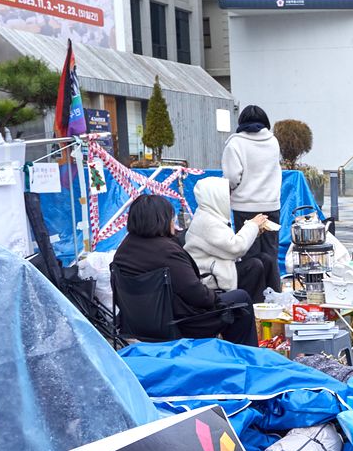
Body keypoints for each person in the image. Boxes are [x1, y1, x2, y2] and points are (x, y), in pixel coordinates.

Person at [112, 195, 258, 346]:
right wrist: (215, 298)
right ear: (162, 219)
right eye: (171, 218)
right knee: (241, 299)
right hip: (176, 325)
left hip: (138, 324)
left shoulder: (123, 249)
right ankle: (244, 358)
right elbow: (198, 296)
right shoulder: (166, 250)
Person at [222, 105, 283, 293]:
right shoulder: (273, 142)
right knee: (270, 255)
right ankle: (275, 296)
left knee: (251, 257)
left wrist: (236, 189)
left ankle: (256, 299)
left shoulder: (235, 144)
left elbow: (231, 177)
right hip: (271, 205)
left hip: (245, 206)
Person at [183, 176, 270, 303]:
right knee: (254, 266)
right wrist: (252, 226)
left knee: (265, 259)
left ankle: (273, 301)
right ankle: (252, 309)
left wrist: (254, 231)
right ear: (216, 197)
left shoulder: (211, 214)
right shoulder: (206, 221)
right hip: (211, 277)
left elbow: (227, 244)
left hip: (223, 266)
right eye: (227, 195)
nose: (230, 199)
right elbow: (235, 248)